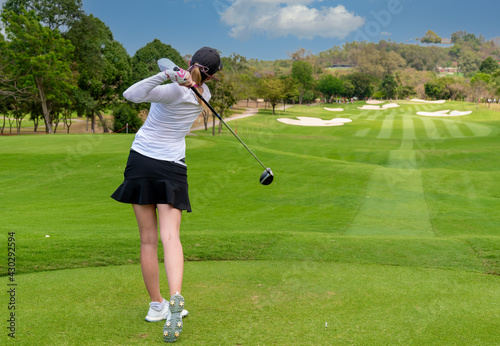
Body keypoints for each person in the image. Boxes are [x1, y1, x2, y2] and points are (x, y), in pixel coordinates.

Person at [111, 47, 223, 343]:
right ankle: (176, 297)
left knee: (148, 239)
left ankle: (157, 305)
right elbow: (173, 68)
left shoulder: (174, 91)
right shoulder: (204, 96)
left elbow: (131, 95)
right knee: (170, 237)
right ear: (213, 76)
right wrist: (176, 75)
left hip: (141, 161)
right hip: (172, 166)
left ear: (190, 63)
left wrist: (166, 75)